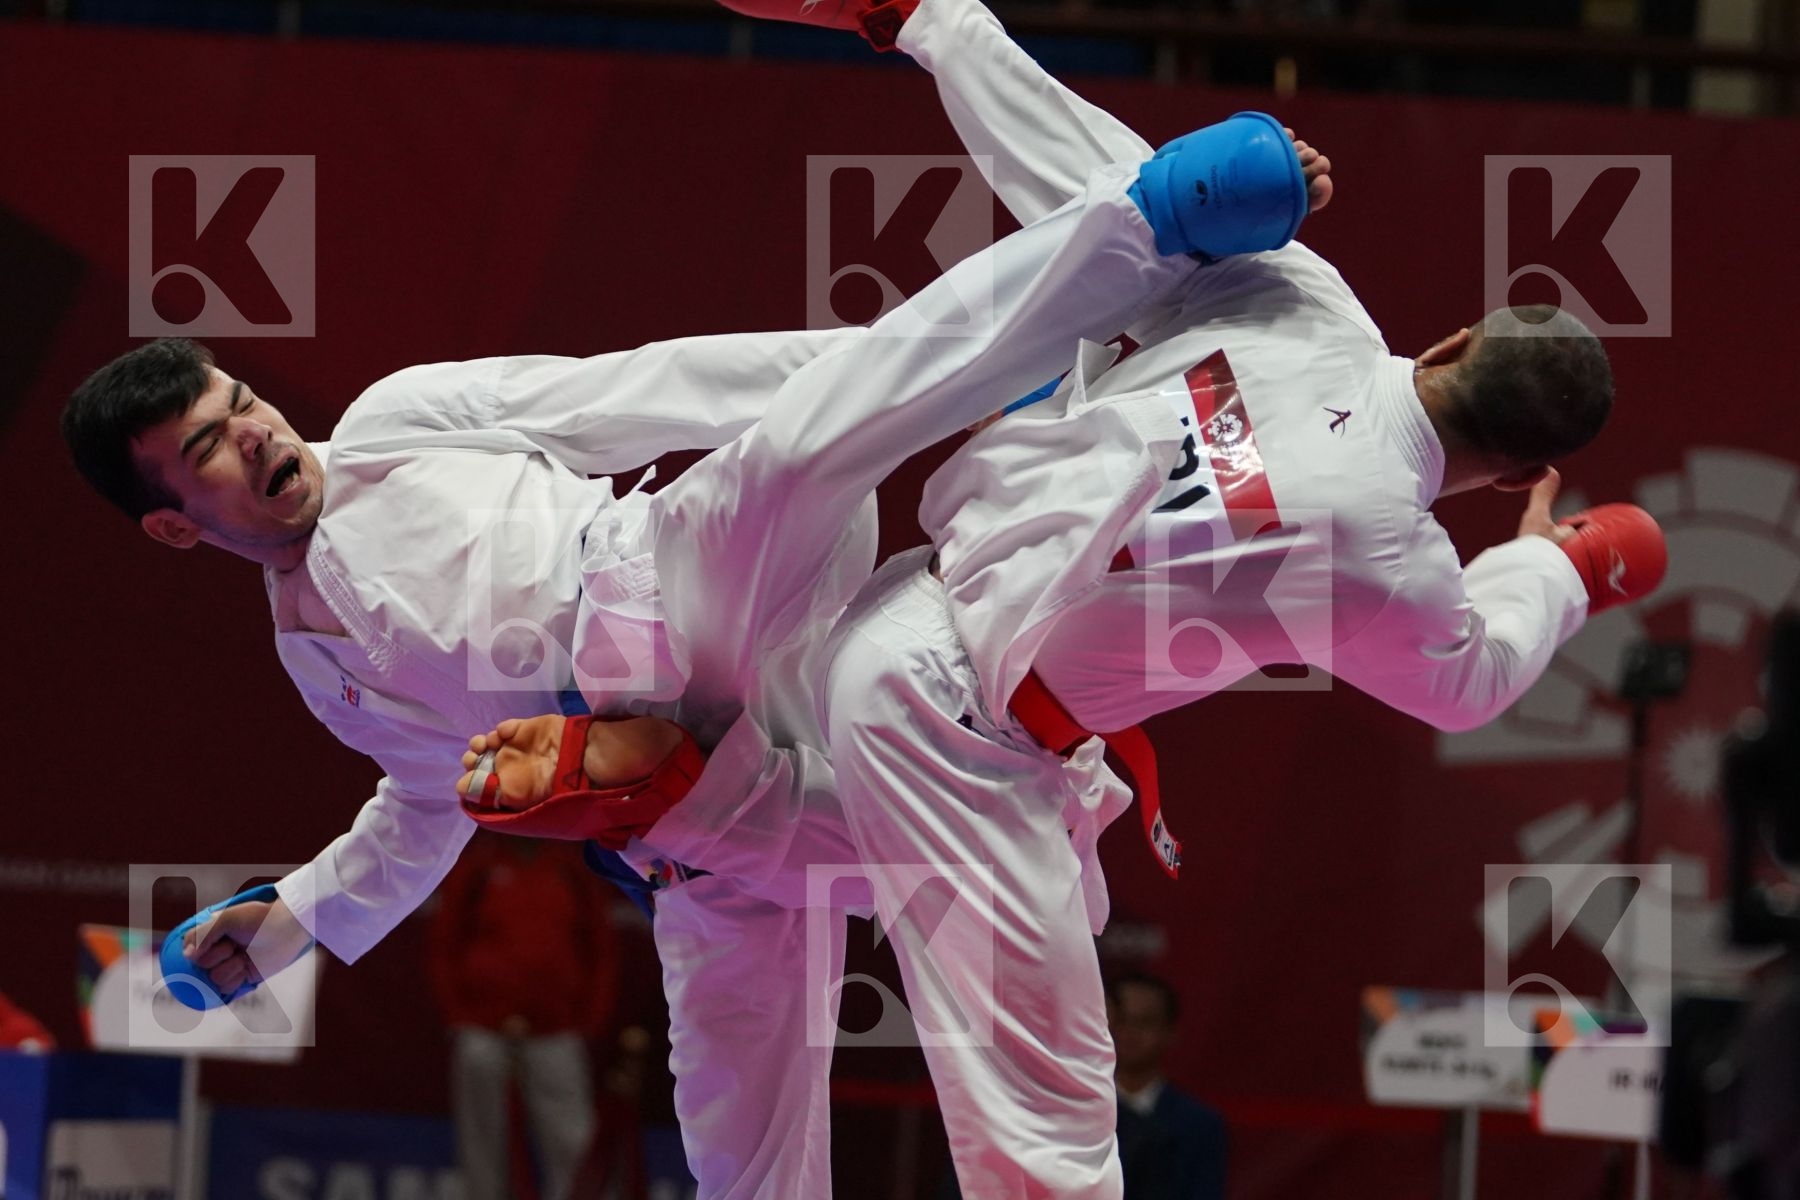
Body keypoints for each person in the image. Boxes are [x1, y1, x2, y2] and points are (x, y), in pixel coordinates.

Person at [62, 20, 1324, 1193]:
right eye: (208, 448)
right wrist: (290, 921)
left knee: (800, 448)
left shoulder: (393, 423)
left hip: (662, 588)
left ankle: (1151, 225)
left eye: (240, 403)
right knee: (736, 1115)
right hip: (670, 804)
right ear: (174, 524)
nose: (253, 432)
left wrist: (882, 375)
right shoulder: (317, 667)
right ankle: (1041, 802)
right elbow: (421, 802)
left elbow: (629, 391)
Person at [428, 833, 617, 1200]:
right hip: (483, 1027)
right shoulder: (480, 865)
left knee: (572, 1138)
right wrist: (458, 1015)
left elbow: (600, 948)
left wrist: (590, 1018)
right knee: (482, 1138)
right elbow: (445, 942)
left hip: (556, 1027)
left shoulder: (571, 869)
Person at [1107, 972, 1227, 1200]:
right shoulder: (1079, 1115)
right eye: (1121, 1020)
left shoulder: (1199, 1124)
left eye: (1145, 1022)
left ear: (1170, 1032)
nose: (1130, 1032)